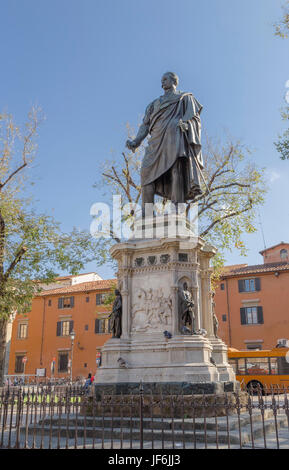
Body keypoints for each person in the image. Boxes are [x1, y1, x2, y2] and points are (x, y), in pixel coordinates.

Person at [126, 72, 203, 215]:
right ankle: (147, 214)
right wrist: (136, 141)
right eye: (161, 80)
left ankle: (176, 210)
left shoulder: (185, 98)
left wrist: (187, 125)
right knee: (145, 173)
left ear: (174, 81)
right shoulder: (153, 104)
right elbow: (145, 125)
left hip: (175, 137)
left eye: (165, 79)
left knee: (176, 170)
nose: (162, 82)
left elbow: (194, 118)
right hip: (155, 141)